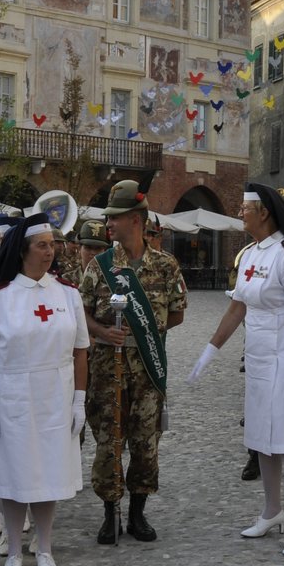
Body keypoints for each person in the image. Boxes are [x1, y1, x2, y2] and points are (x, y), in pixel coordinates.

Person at [189, 185, 284, 557]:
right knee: (261, 435)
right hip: (260, 356)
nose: (240, 212)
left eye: (245, 207)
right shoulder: (249, 255)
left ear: (264, 212)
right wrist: (210, 350)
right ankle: (272, 510)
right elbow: (238, 307)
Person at [0, 213, 89, 566]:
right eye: (42, 245)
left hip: (55, 392)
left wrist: (78, 401)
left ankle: (44, 547)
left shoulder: (68, 294)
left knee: (48, 473)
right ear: (24, 249)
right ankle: (13, 551)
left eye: (53, 245)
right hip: (12, 393)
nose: (50, 251)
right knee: (14, 473)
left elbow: (80, 350)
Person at [81, 181, 187, 545]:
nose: (109, 223)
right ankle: (110, 513)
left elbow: (177, 315)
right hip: (107, 371)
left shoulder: (166, 265)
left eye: (116, 217)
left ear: (137, 220)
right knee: (108, 442)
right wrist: (101, 331)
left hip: (147, 370)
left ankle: (138, 513)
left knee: (145, 442)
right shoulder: (100, 266)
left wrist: (147, 334)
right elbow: (80, 314)